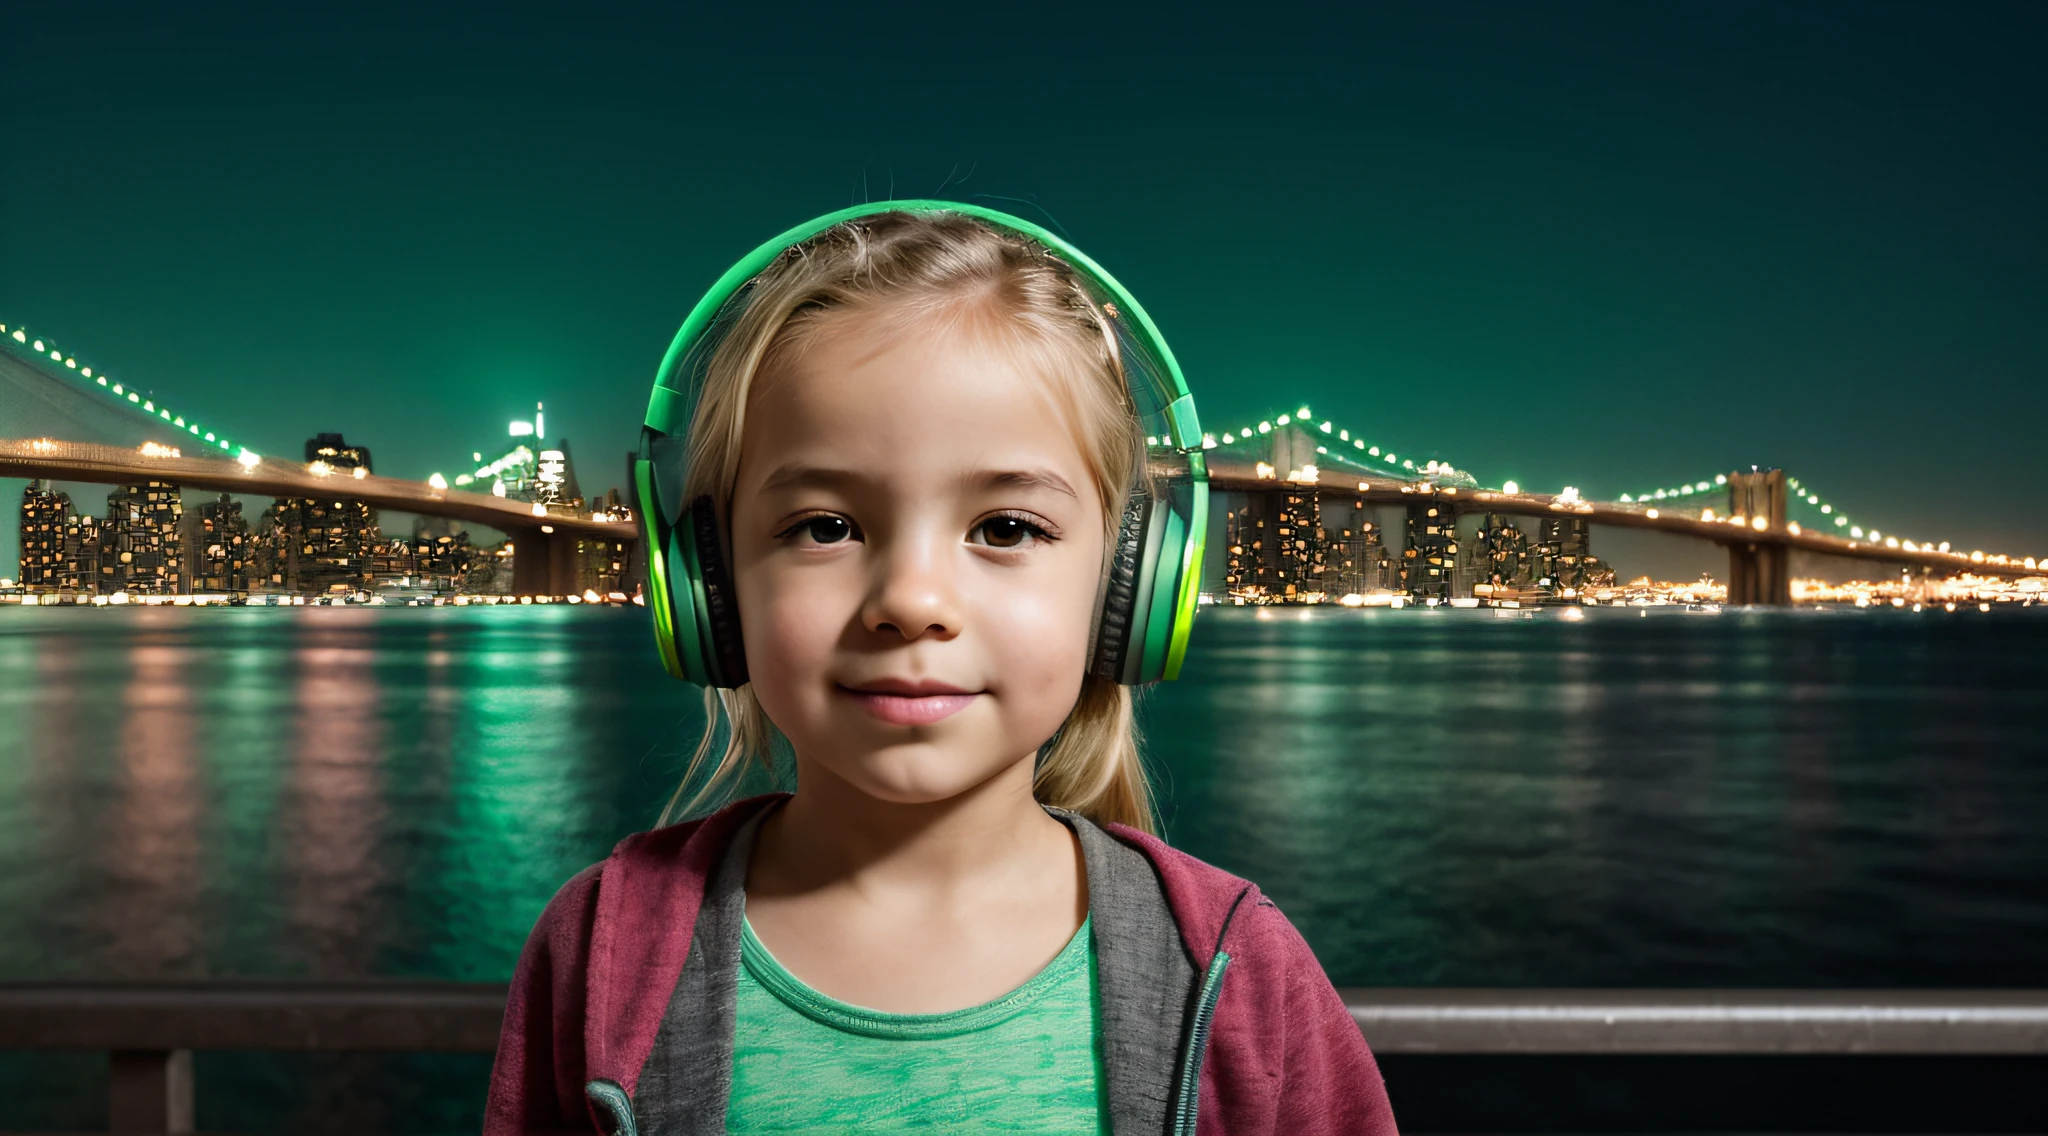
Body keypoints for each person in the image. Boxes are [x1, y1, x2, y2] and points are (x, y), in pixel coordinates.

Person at [483, 202, 1397, 1135]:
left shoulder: (1240, 974)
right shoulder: (600, 954)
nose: (912, 600)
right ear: (710, 587)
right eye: (825, 527)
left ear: (1131, 590)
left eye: (1006, 528)